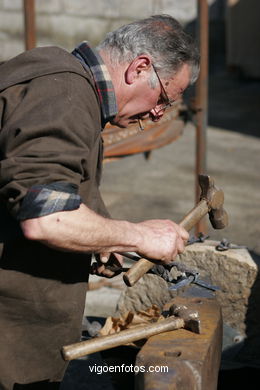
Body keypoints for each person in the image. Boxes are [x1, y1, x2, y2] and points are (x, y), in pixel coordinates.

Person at [0, 14, 199, 389]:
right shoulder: (64, 93)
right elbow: (45, 216)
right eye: (164, 98)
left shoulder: (62, 82)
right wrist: (136, 236)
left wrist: (101, 239)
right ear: (139, 68)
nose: (159, 113)